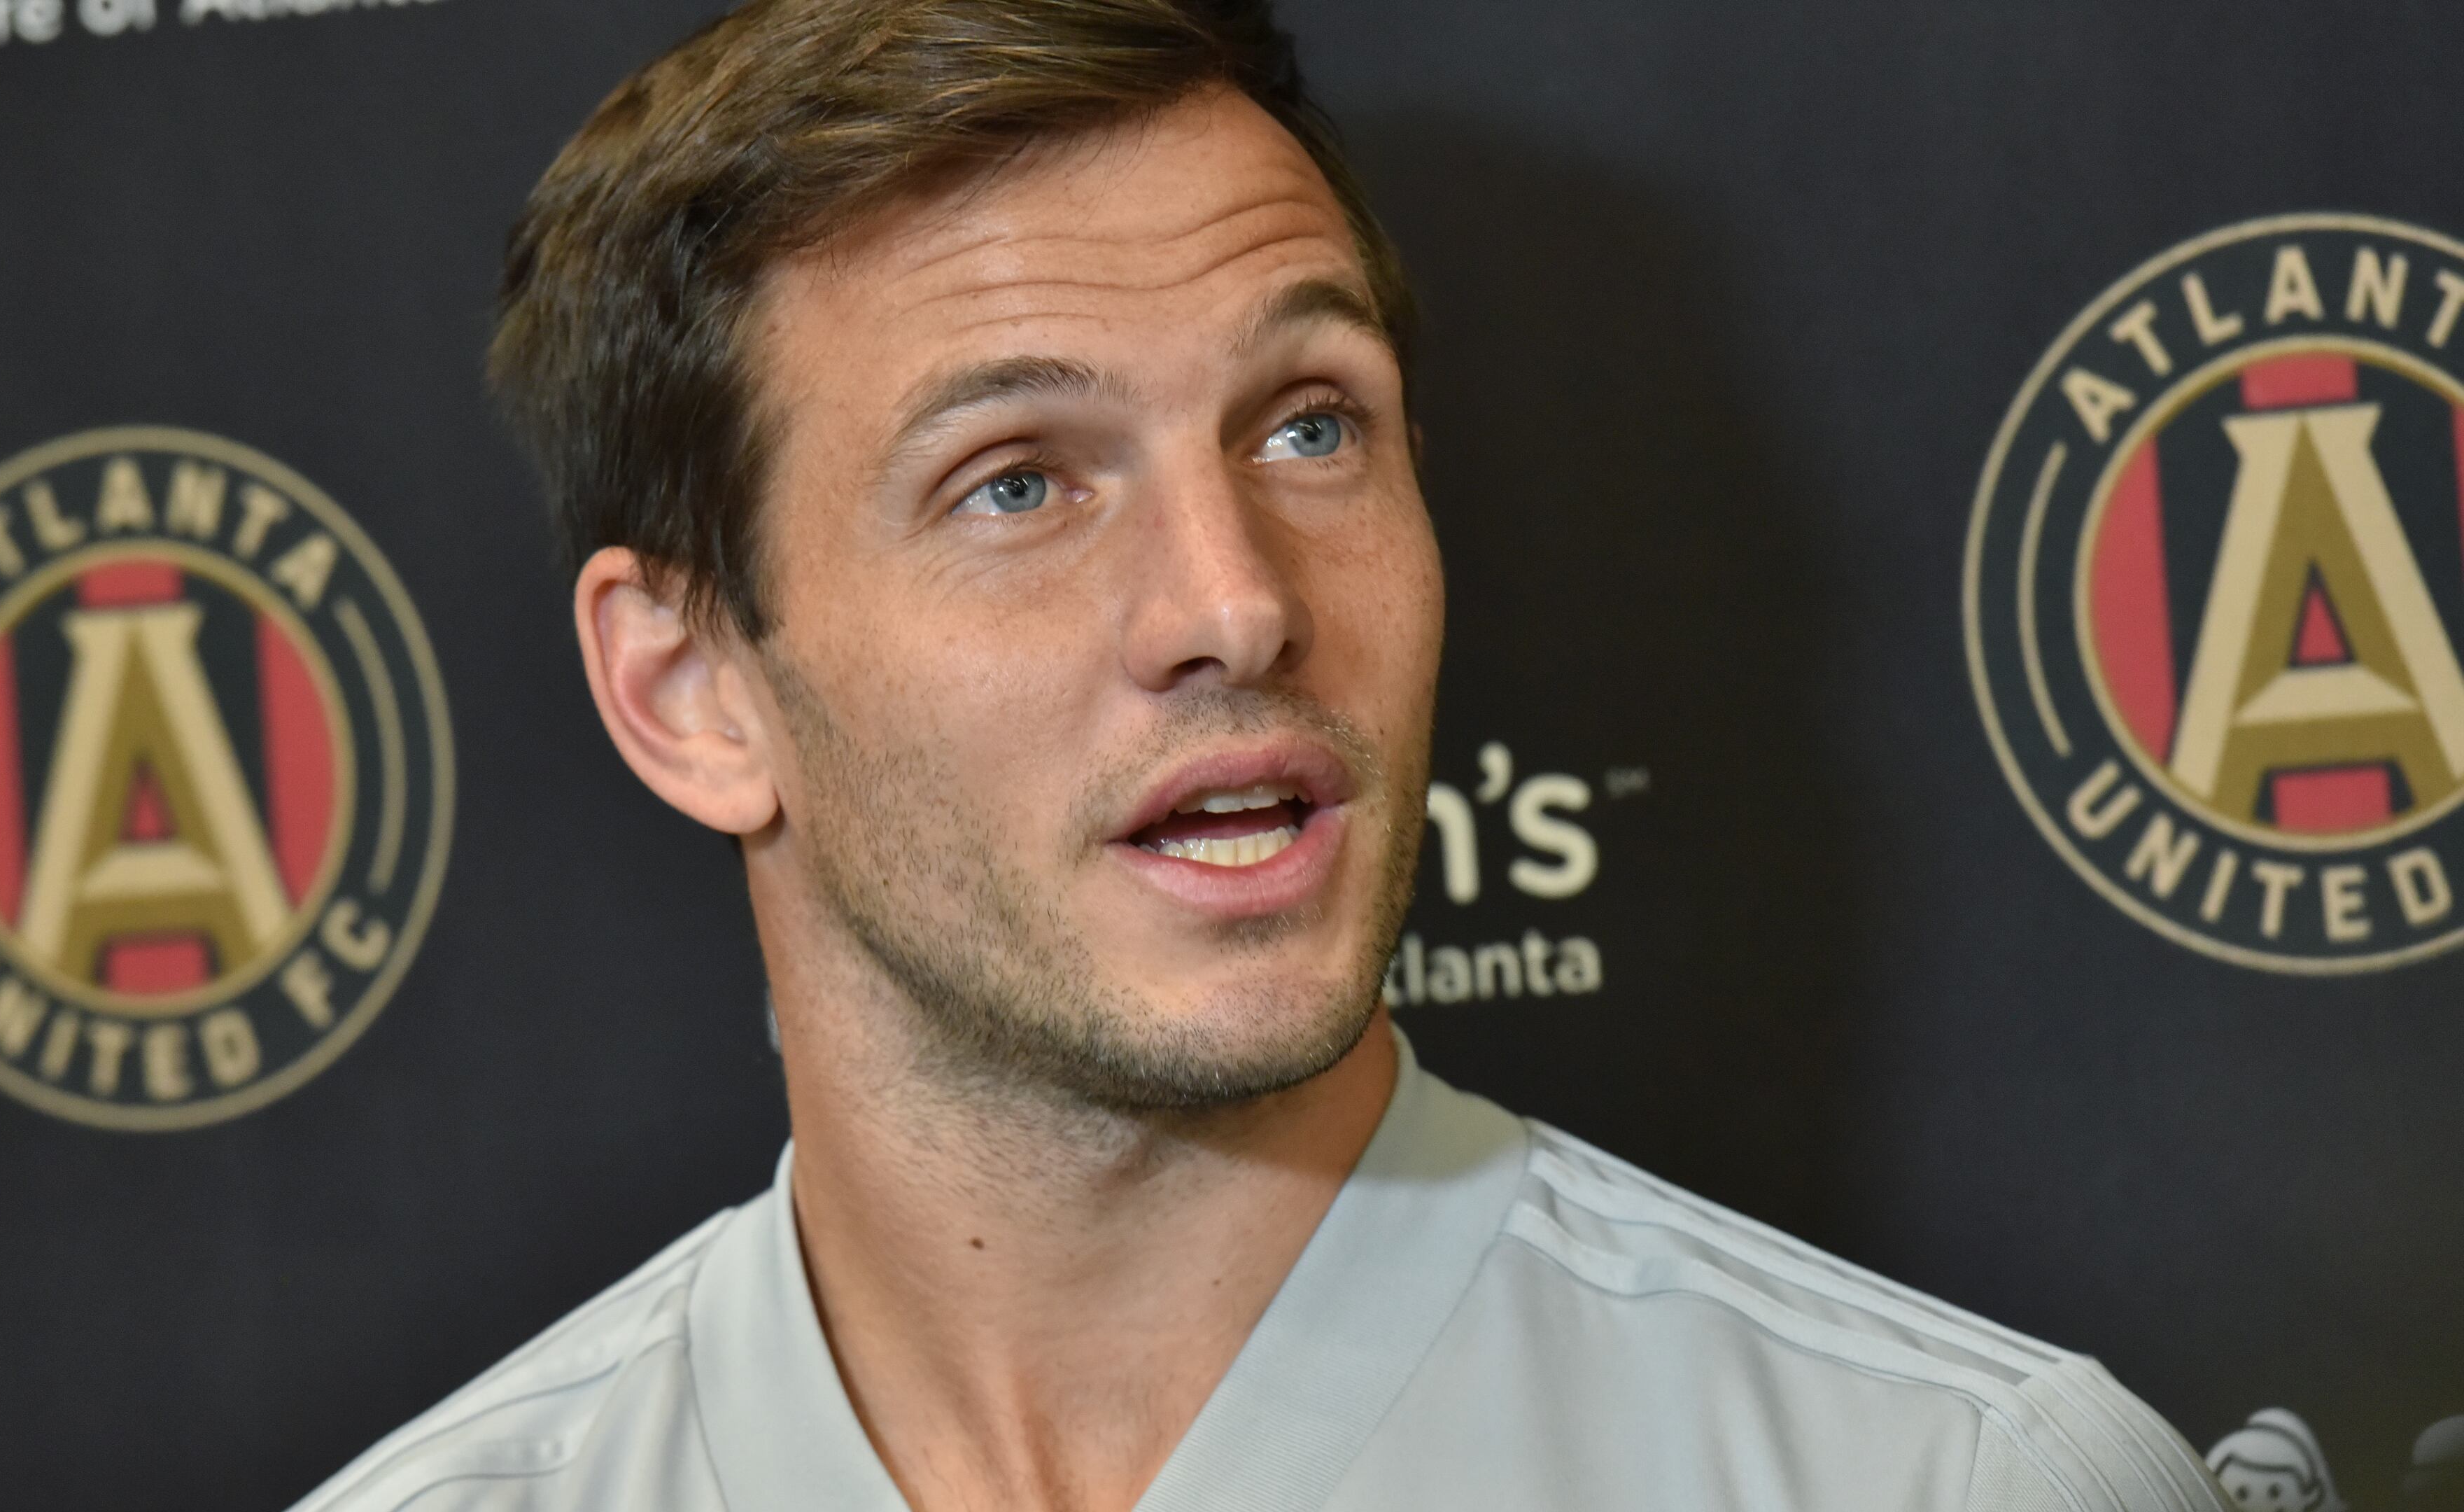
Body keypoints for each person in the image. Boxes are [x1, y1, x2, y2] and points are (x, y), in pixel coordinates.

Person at [295, 1, 2230, 1507]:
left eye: (1310, 425)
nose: (1235, 603)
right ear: (689, 690)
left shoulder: (1950, 1480)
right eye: (1019, 481)